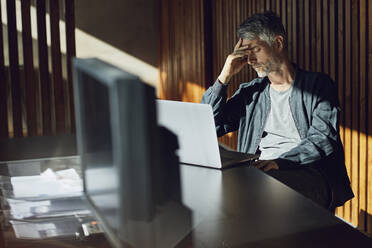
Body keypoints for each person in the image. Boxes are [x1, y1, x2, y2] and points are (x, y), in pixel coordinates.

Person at [201, 11, 353, 211]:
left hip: (309, 172)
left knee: (253, 189)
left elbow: (323, 139)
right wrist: (224, 76)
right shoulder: (251, 93)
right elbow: (209, 125)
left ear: (278, 43)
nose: (250, 59)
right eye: (246, 52)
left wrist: (280, 162)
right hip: (258, 172)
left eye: (255, 49)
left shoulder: (318, 85)